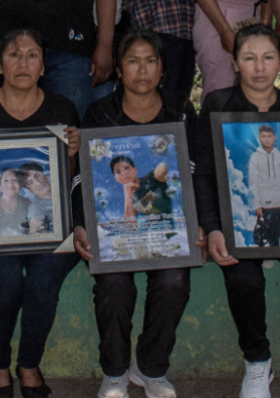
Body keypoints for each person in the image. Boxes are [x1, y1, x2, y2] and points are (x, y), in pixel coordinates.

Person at [193, 24, 280, 398]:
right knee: (243, 278)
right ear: (235, 63)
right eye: (249, 58)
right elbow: (206, 174)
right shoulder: (217, 104)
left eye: (268, 57)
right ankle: (257, 362)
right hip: (243, 221)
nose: (259, 67)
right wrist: (212, 228)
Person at [0, 29, 83, 397]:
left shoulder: (62, 108)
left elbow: (67, 182)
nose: (22, 62)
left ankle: (28, 364)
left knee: (43, 282)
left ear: (43, 66)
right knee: (7, 281)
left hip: (52, 228)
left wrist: (71, 152)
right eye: (13, 54)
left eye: (31, 55)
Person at [76, 30, 202, 398]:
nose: (142, 69)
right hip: (114, 231)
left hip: (166, 228)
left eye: (150, 61)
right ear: (118, 68)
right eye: (133, 61)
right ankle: (115, 372)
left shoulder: (180, 109)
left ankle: (150, 368)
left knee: (174, 280)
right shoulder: (99, 112)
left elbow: (195, 172)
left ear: (162, 69)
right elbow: (82, 177)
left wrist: (199, 225)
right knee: (114, 285)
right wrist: (81, 224)